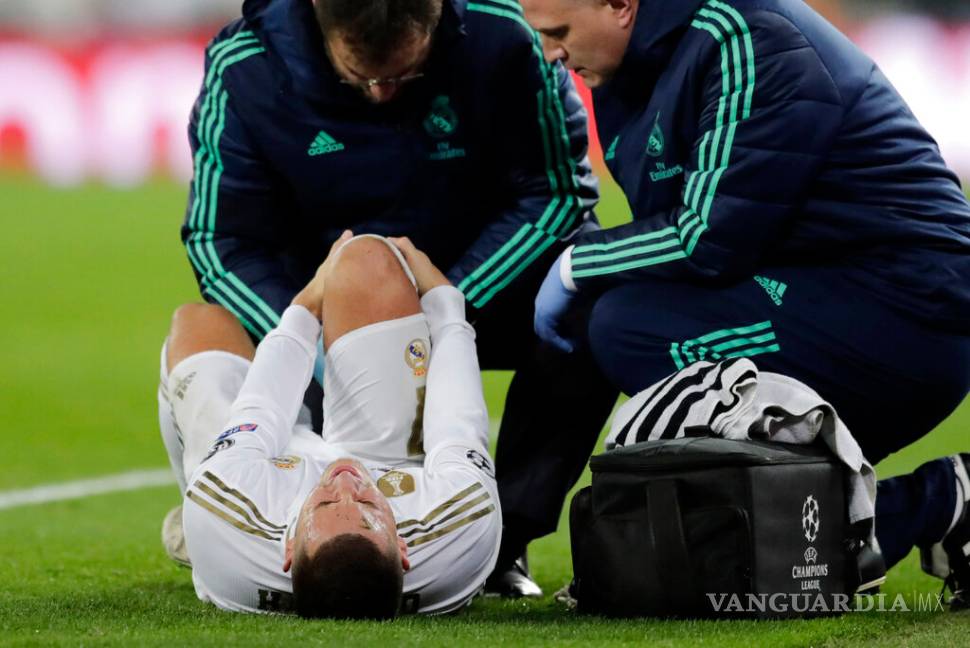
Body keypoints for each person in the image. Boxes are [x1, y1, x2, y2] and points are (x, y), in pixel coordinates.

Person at [522, 0, 970, 607]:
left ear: (621, 6)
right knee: (623, 316)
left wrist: (575, 265)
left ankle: (906, 511)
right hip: (824, 290)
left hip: (903, 314)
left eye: (558, 32)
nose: (551, 53)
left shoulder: (743, 35)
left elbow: (706, 237)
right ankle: (912, 512)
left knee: (627, 329)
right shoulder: (634, 64)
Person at [180, 0, 619, 597]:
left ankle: (504, 538)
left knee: (589, 305)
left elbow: (558, 193)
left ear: (437, 23)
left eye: (406, 75)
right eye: (360, 78)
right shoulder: (246, 67)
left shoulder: (505, 38)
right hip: (329, 310)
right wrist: (306, 334)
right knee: (203, 329)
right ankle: (296, 517)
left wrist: (446, 307)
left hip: (483, 283)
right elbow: (222, 241)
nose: (384, 93)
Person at [158, 234, 502, 616]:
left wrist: (306, 308)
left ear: (289, 550)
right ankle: (343, 497)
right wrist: (448, 307)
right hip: (388, 462)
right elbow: (456, 421)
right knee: (366, 257)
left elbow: (260, 411)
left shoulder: (224, 511)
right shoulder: (460, 523)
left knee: (198, 323)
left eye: (326, 502)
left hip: (268, 482)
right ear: (403, 549)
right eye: (367, 505)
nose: (345, 481)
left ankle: (192, 519)